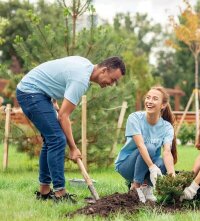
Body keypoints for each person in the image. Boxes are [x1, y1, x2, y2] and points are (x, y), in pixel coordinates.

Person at [16, 56, 126, 202]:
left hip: (39, 93)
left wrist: (53, 100)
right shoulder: (81, 79)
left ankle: (44, 192)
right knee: (57, 139)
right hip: (31, 92)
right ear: (104, 70)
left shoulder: (85, 64)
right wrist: (73, 148)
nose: (111, 84)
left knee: (51, 140)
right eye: (112, 80)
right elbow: (63, 117)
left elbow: (57, 73)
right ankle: (60, 193)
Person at [115, 86, 177, 202]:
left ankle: (146, 187)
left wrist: (172, 178)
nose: (149, 101)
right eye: (148, 98)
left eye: (154, 99)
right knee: (150, 147)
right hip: (127, 165)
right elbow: (140, 145)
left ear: (163, 105)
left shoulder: (167, 127)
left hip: (146, 165)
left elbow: (167, 152)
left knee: (163, 164)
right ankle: (135, 186)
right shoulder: (135, 118)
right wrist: (152, 167)